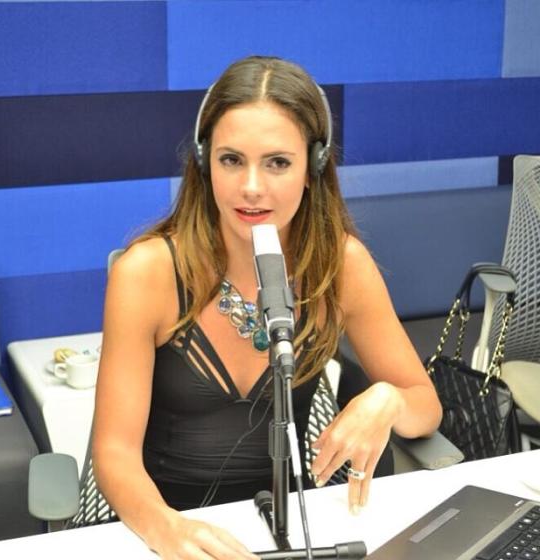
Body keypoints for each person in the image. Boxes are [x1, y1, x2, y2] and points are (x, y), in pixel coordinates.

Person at [92, 55, 442, 560]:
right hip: (162, 533)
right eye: (231, 160)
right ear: (204, 161)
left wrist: (388, 400)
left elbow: (425, 407)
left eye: (277, 162)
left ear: (313, 168)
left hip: (288, 529)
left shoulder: (341, 265)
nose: (251, 187)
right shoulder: (146, 273)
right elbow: (114, 453)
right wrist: (166, 530)